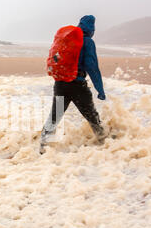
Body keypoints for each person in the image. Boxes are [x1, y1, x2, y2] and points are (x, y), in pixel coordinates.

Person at [40, 15, 106, 154]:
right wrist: (100, 89)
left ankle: (43, 146)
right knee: (92, 116)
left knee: (55, 116)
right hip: (77, 85)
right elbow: (91, 66)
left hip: (60, 83)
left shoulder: (68, 39)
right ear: (92, 28)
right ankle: (105, 144)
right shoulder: (87, 42)